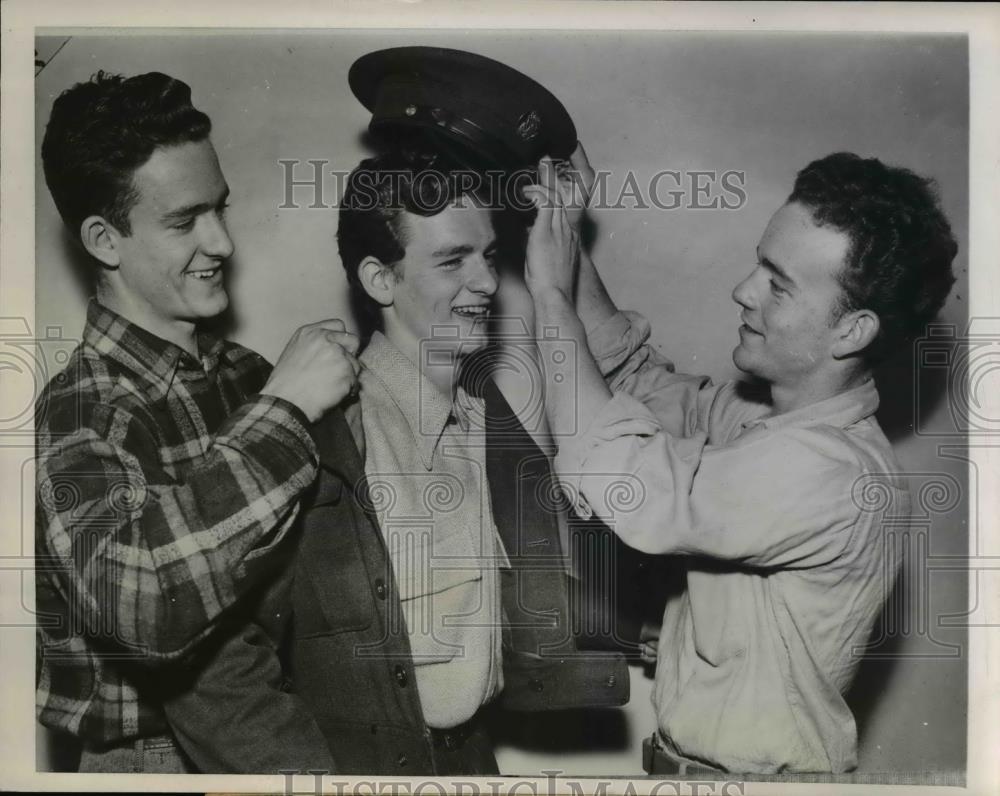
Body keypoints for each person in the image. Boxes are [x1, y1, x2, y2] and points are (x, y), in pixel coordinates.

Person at [521, 149, 958, 773]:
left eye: (778, 284)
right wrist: (567, 233)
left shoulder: (830, 472)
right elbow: (631, 379)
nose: (743, 290)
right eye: (759, 263)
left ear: (852, 331)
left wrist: (548, 293)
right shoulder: (769, 422)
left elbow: (628, 484)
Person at [36, 70, 359, 773]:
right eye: (185, 221)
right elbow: (144, 606)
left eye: (221, 209)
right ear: (104, 240)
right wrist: (286, 411)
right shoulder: (83, 410)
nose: (221, 243)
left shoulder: (248, 373)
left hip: (286, 721)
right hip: (147, 763)